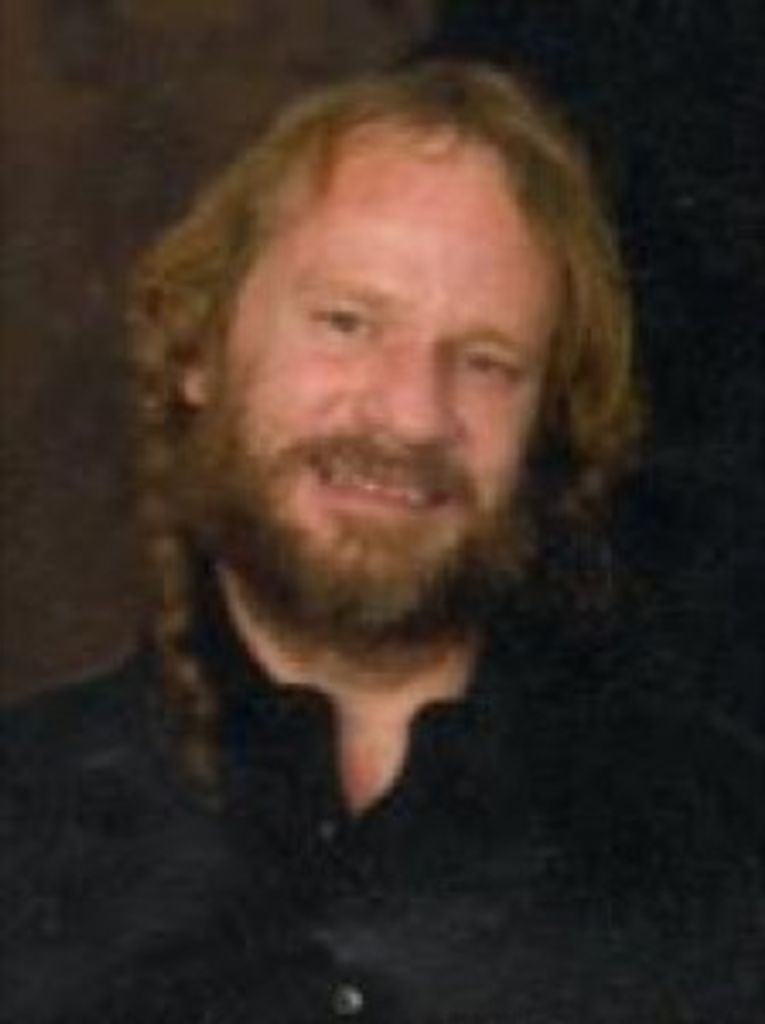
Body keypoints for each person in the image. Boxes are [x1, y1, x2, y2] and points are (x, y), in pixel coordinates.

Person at [1, 61, 761, 1024]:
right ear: (198, 348)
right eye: (348, 323)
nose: (410, 416)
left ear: (545, 424)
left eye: (486, 362)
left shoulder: (722, 861)